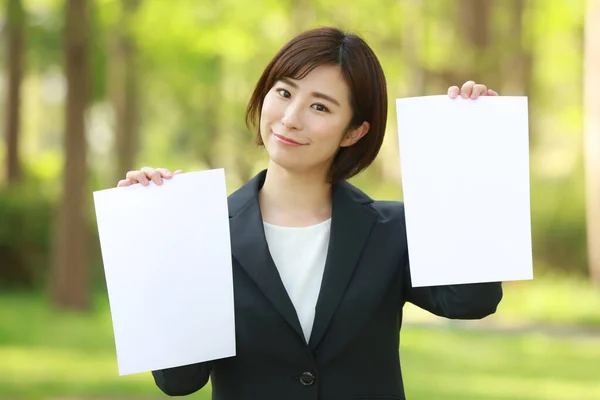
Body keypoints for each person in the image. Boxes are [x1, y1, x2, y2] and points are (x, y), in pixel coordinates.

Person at [117, 26, 502, 400]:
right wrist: (157, 229)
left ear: (354, 132)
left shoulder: (389, 230)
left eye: (320, 106)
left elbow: (473, 300)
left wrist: (466, 148)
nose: (291, 117)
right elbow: (178, 379)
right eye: (284, 92)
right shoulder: (204, 231)